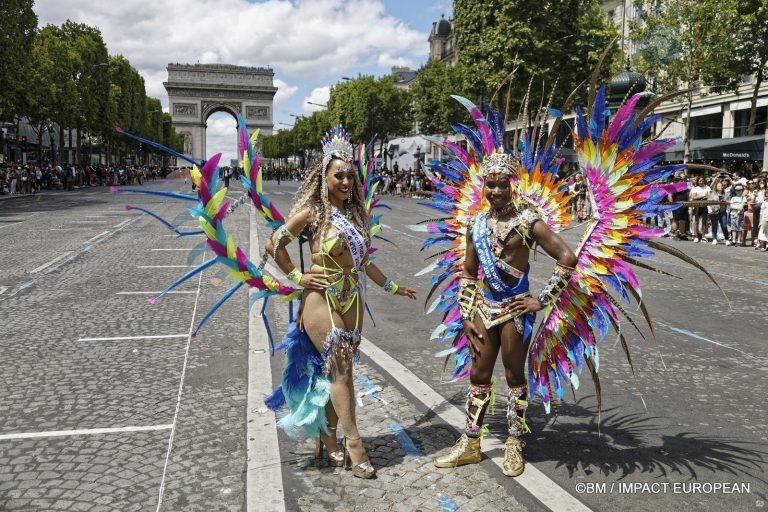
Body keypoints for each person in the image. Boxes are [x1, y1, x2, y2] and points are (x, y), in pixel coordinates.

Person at [264, 126, 417, 479]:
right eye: (339, 175)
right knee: (342, 368)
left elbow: (364, 261)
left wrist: (394, 287)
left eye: (350, 175)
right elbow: (274, 243)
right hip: (322, 298)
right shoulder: (313, 214)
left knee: (340, 373)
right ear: (325, 177)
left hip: (353, 300)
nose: (346, 181)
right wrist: (298, 278)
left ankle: (327, 436)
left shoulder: (356, 215)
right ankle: (354, 442)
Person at [431, 152, 577, 477]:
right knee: (479, 374)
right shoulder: (477, 224)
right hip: (485, 306)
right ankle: (471, 441)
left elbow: (567, 256)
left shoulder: (527, 221)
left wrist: (541, 299)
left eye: (501, 185)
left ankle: (514, 441)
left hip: (515, 309)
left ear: (513, 185)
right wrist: (466, 314)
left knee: (513, 376)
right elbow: (469, 273)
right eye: (490, 185)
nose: (495, 191)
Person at [689, 176, 710, 242]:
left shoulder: (707, 187)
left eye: (702, 180)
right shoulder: (695, 188)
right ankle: (696, 236)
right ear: (698, 181)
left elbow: (708, 196)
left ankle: (703, 236)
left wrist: (698, 197)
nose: (701, 182)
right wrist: (703, 196)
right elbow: (693, 197)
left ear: (704, 181)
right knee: (696, 221)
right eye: (700, 180)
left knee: (704, 221)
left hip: (705, 206)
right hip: (697, 206)